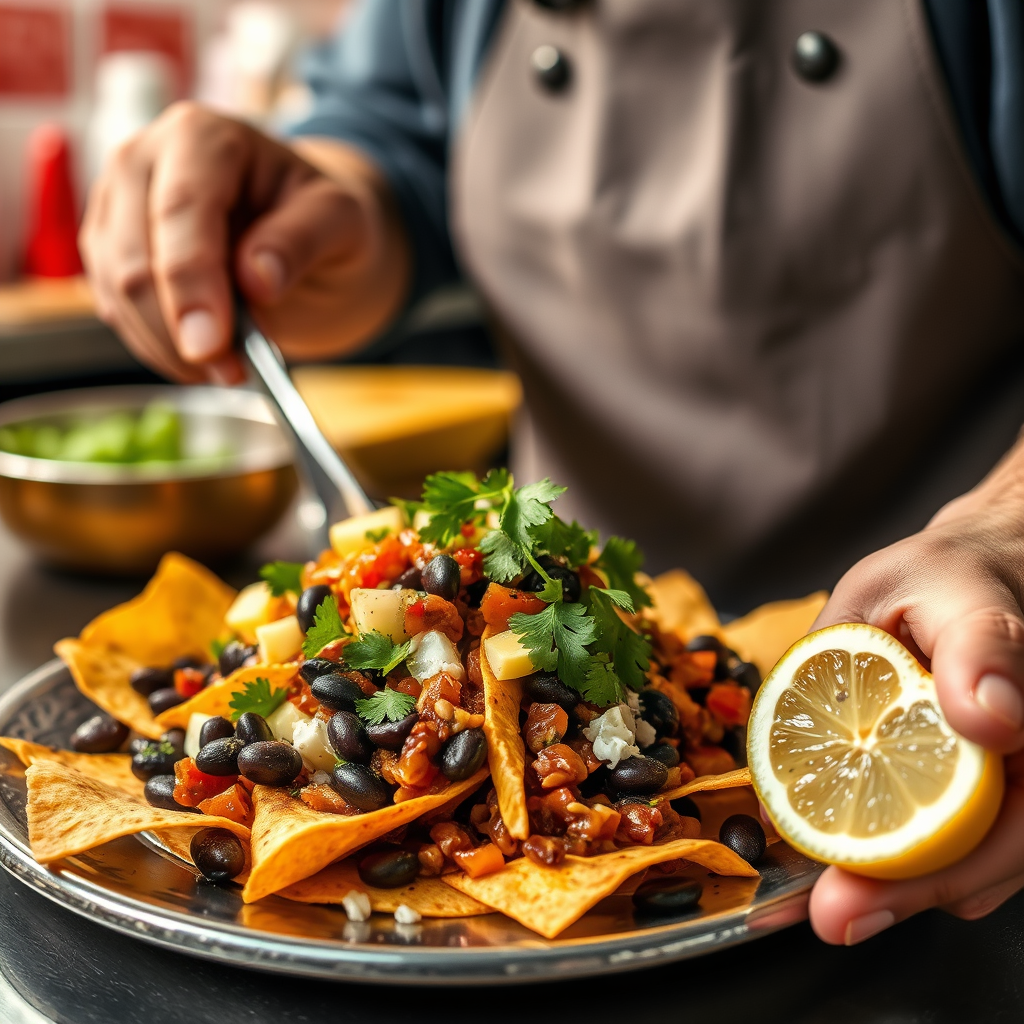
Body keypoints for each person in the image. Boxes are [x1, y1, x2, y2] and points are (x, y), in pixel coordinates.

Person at [80, 0, 1024, 946]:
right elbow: (391, 136)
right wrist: (317, 217)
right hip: (604, 601)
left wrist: (1007, 532)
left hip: (913, 683)